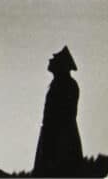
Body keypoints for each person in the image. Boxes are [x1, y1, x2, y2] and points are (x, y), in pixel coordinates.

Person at [33, 46, 83, 177]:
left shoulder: (66, 84)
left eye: (55, 59)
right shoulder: (62, 84)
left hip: (60, 137)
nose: (50, 61)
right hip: (55, 134)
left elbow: (65, 114)